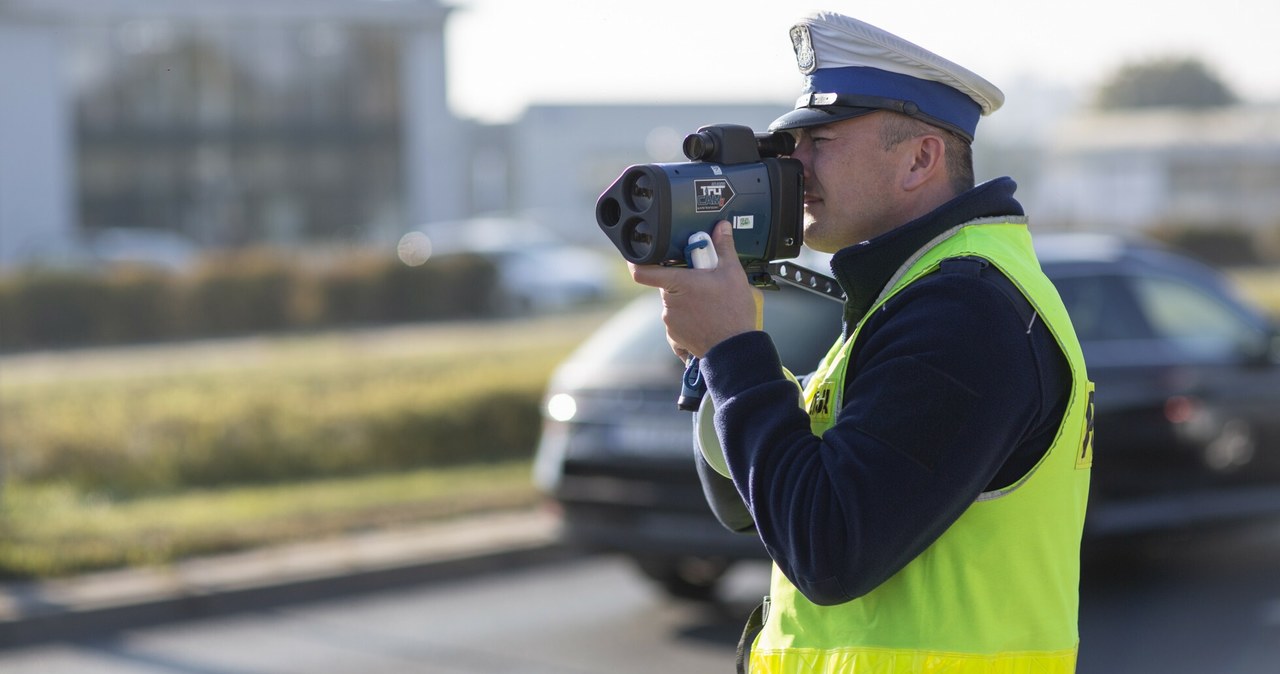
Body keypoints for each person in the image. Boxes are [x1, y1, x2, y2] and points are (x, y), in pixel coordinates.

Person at [629, 11, 1094, 674]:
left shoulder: (963, 310)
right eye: (792, 142)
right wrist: (716, 360)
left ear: (920, 159)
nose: (795, 162)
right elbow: (745, 508)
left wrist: (735, 348)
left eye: (820, 139)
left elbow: (829, 548)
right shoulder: (910, 293)